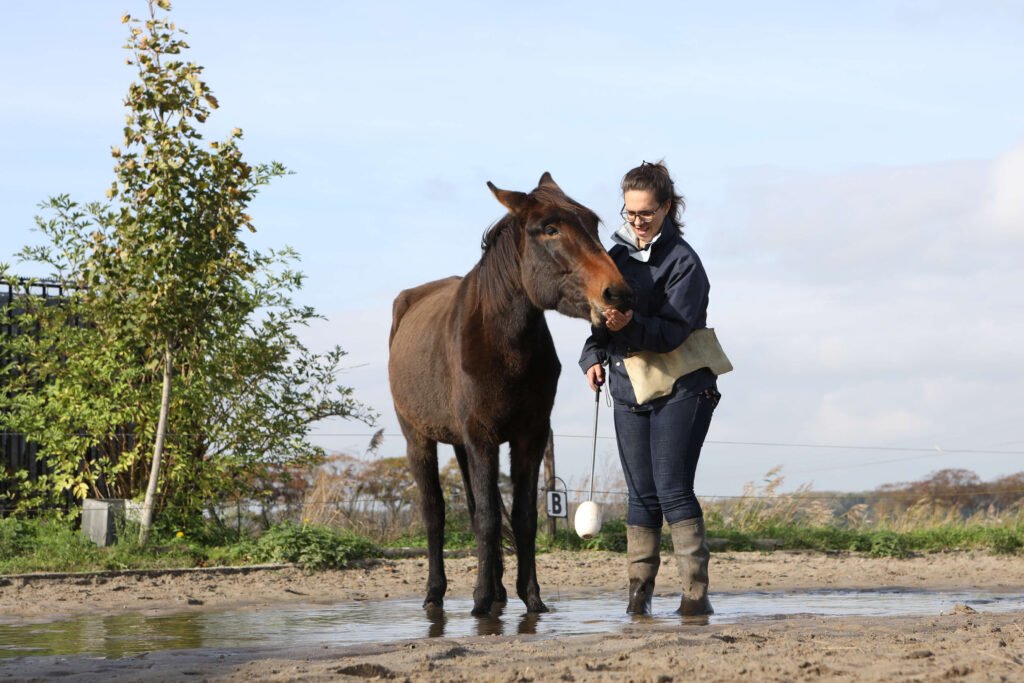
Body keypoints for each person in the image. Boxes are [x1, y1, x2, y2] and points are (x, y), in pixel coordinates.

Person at [579, 160, 722, 617]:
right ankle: (637, 600)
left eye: (646, 213)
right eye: (630, 214)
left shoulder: (685, 263)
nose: (637, 223)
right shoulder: (614, 257)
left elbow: (673, 333)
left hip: (682, 387)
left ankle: (694, 599)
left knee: (672, 489)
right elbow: (597, 324)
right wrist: (592, 357)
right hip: (626, 388)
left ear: (666, 208)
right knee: (640, 495)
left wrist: (630, 323)